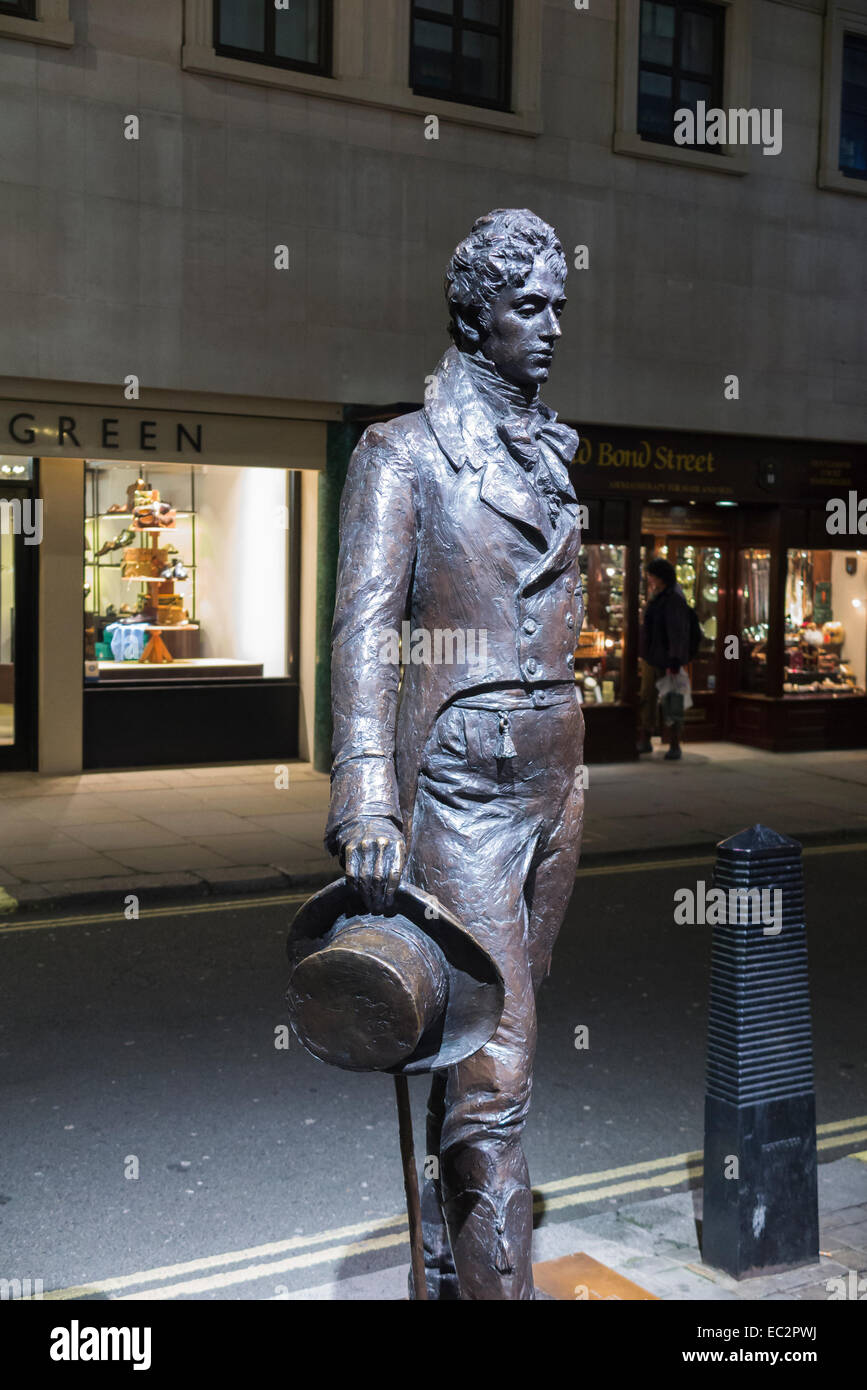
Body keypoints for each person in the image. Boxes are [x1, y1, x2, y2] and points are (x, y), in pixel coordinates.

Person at [325, 209, 585, 1299]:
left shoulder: (554, 449)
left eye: (560, 305)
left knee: (483, 1038)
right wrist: (368, 800)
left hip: (559, 780)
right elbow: (365, 631)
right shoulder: (405, 451)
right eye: (530, 306)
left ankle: (449, 1258)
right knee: (498, 1066)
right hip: (464, 784)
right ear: (477, 316)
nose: (553, 326)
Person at [637, 556, 692, 760]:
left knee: (672, 699)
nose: (649, 579)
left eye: (651, 575)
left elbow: (677, 631)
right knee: (647, 697)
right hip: (652, 656)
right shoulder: (657, 596)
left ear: (660, 577)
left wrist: (675, 660)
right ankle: (646, 738)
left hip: (667, 658)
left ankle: (674, 743)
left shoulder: (673, 598)